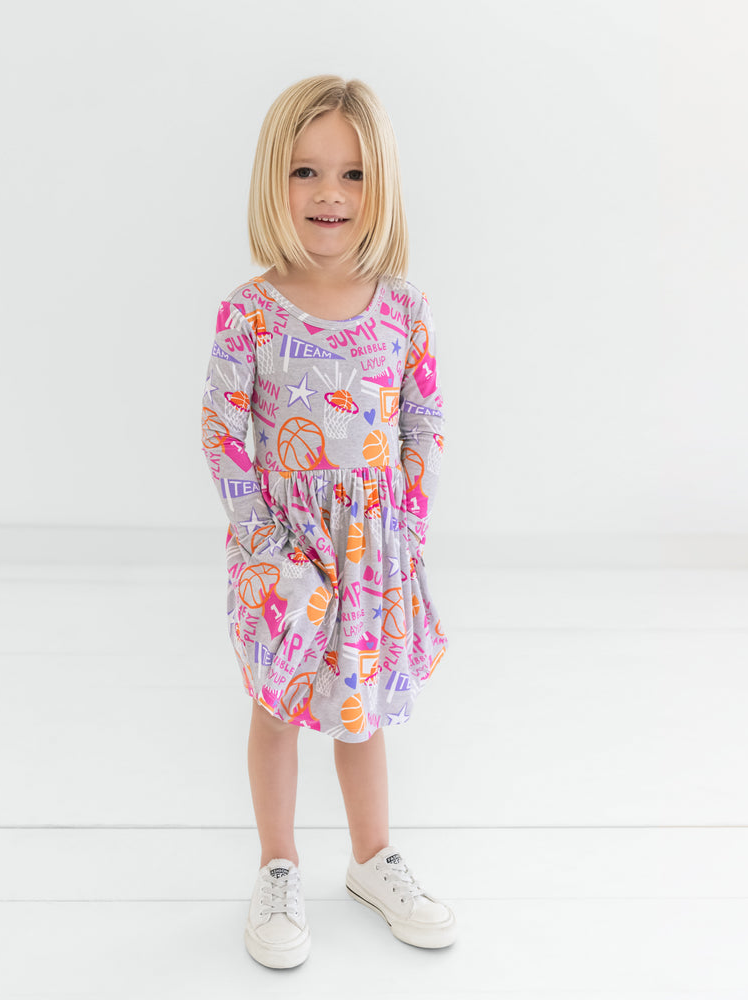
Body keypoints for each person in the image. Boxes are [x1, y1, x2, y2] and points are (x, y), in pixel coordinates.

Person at [200, 74, 455, 969]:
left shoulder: (404, 308)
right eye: (307, 172)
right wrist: (263, 539)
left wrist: (406, 526)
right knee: (276, 710)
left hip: (371, 553)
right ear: (277, 180)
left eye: (350, 175)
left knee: (359, 713)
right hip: (287, 555)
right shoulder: (252, 312)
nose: (329, 196)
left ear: (377, 187)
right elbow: (224, 430)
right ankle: (278, 866)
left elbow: (420, 420)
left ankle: (372, 857)